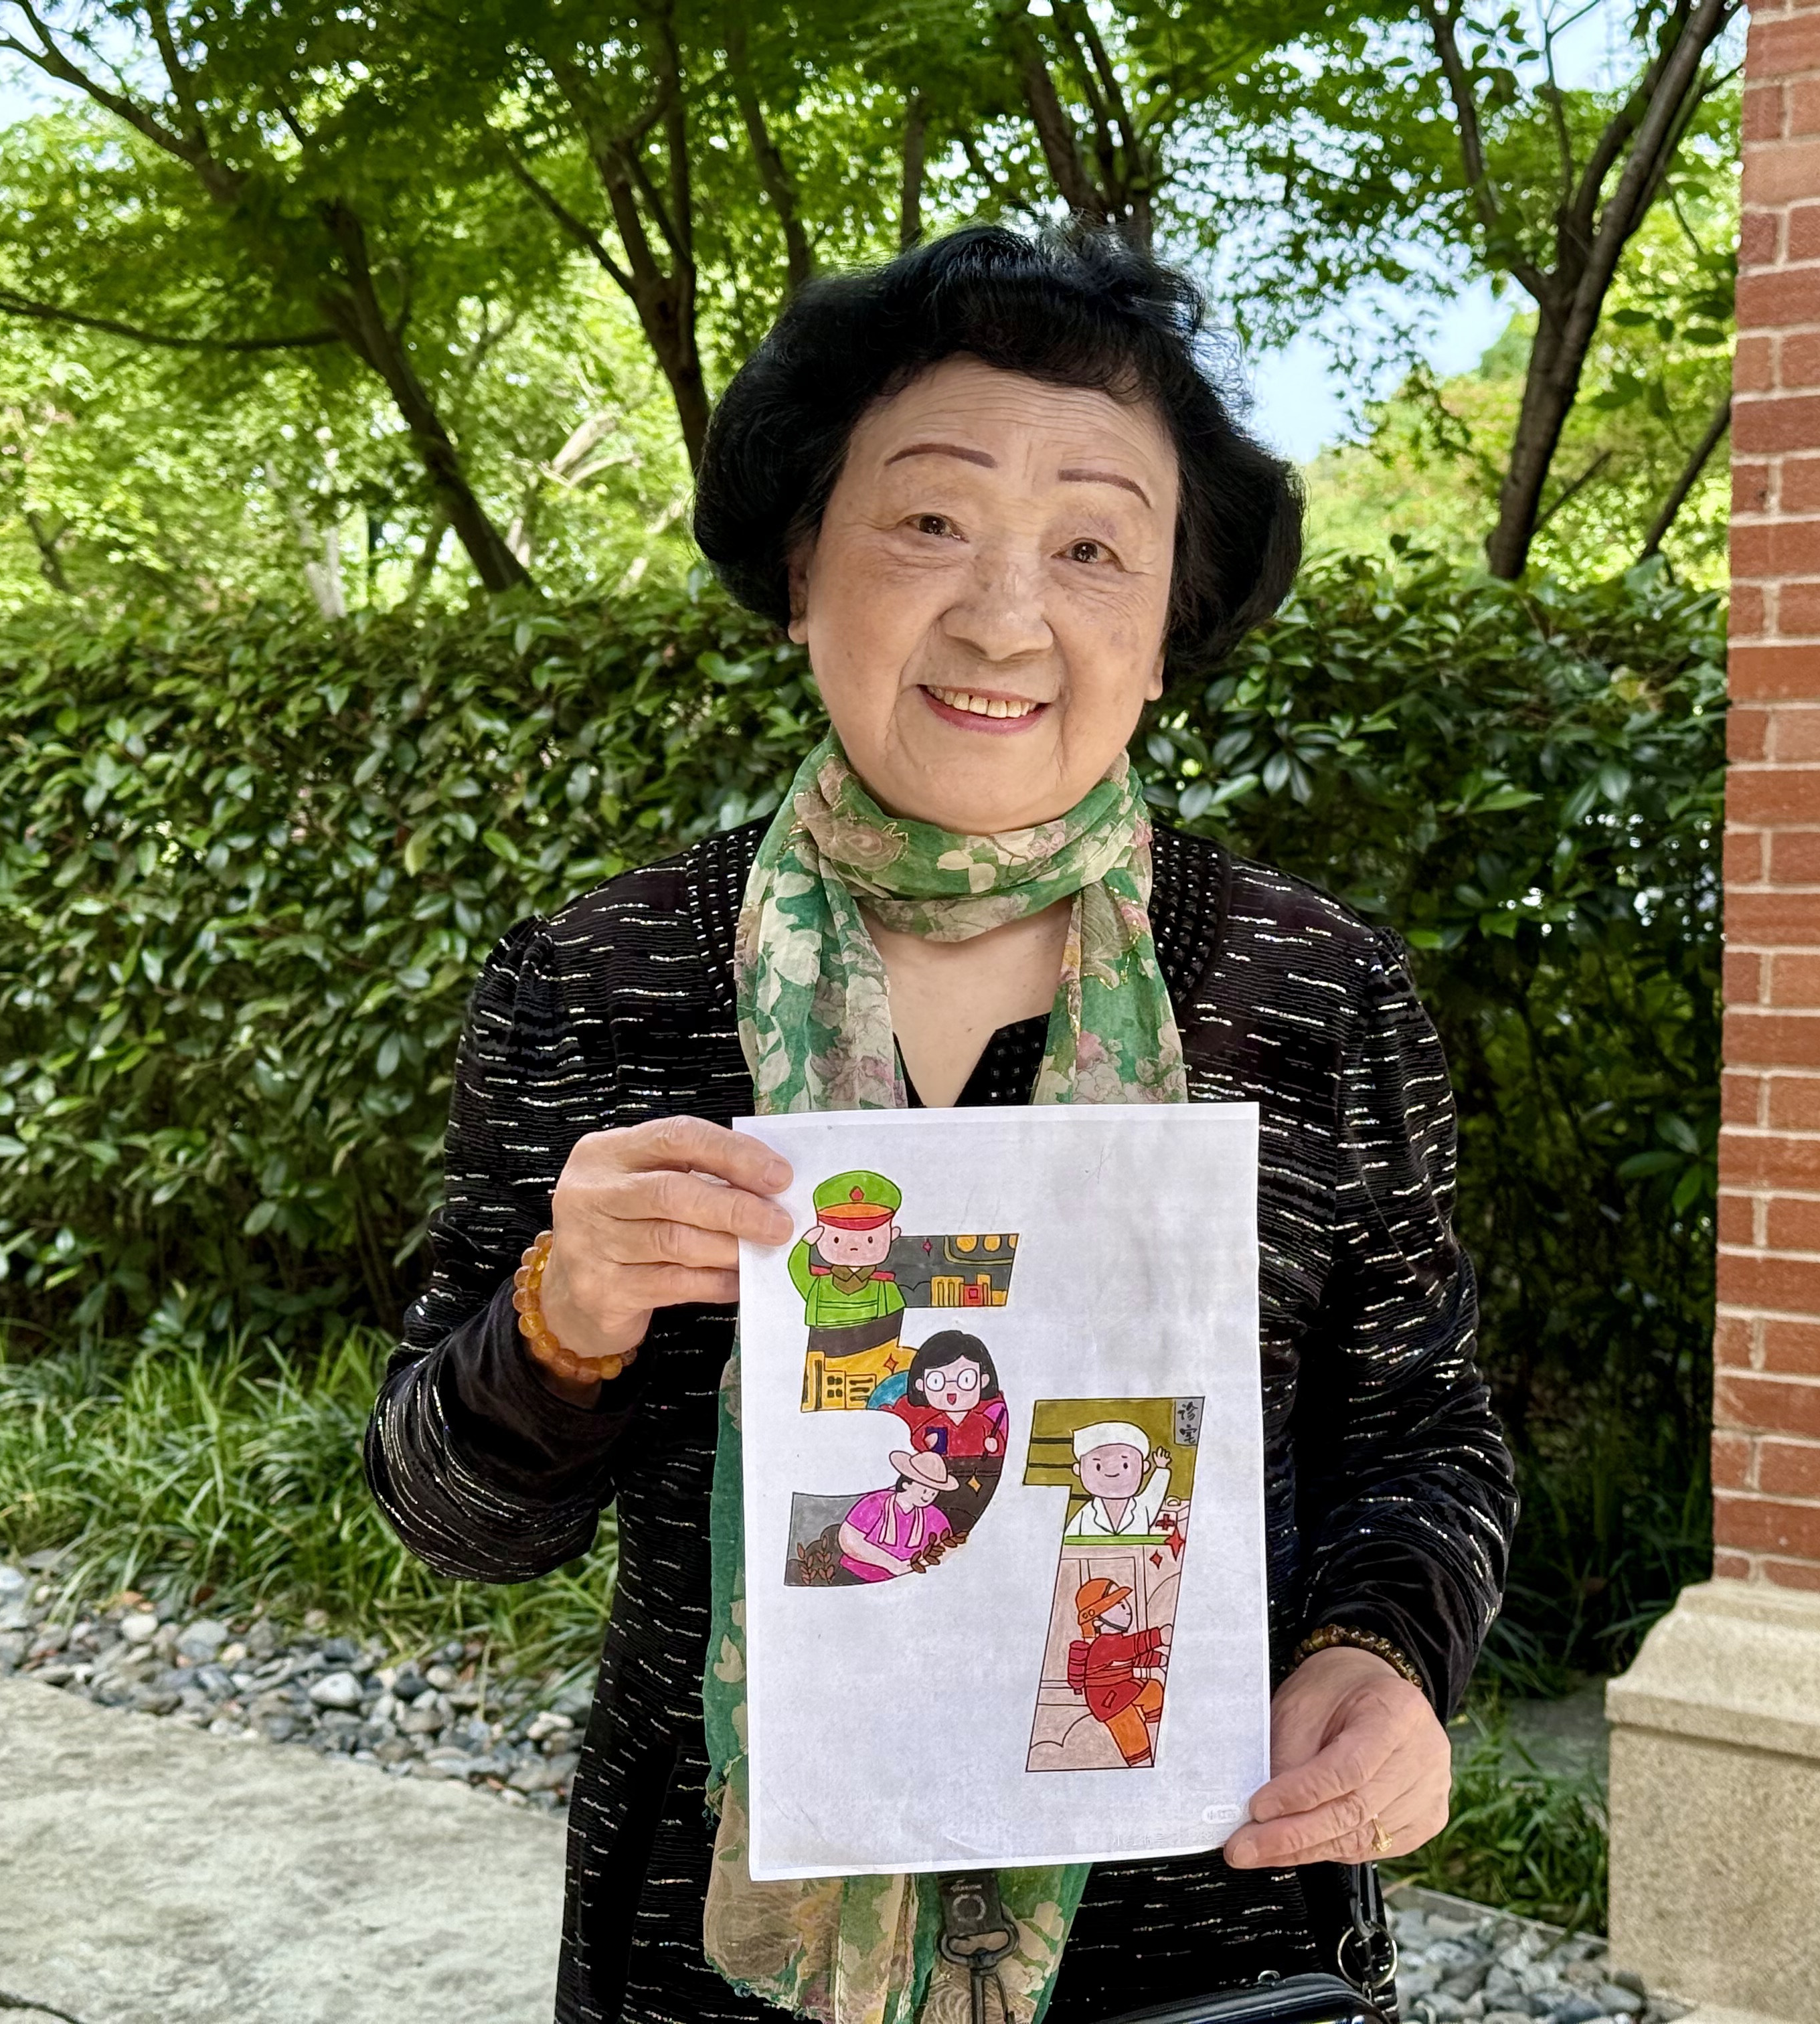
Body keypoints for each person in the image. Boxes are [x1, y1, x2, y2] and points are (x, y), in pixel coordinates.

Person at [367, 224, 1514, 2024]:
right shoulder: (606, 983)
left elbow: (1422, 1432)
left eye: (1092, 547)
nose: (1003, 614)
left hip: (1200, 1940)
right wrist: (561, 1318)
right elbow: (452, 1516)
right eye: (929, 521)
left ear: (1165, 632)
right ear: (801, 568)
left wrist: (1386, 1661)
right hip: (712, 1960)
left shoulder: (1310, 993)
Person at [787, 1169, 910, 1410]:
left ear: (892, 1236)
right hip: (825, 1370)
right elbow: (796, 1269)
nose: (854, 1248)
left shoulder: (886, 1289)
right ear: (820, 1237)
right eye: (837, 1239)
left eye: (870, 1240)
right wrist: (804, 1245)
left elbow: (893, 1332)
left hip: (874, 1371)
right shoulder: (819, 1286)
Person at [885, 1330, 1007, 1539]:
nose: (952, 1391)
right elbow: (918, 1448)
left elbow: (1000, 1450)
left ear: (983, 1381)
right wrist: (925, 1445)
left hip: (977, 1485)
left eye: (966, 1379)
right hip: (938, 1488)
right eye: (937, 1381)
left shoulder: (984, 1424)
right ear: (921, 1385)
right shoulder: (932, 1425)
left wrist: (993, 1446)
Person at [1066, 1578, 1169, 1768]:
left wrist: (1158, 1660)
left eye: (1124, 1602)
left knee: (1153, 1690)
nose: (1127, 1609)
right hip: (1109, 1702)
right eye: (1118, 1605)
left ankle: (1157, 1735)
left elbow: (1132, 1658)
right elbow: (1129, 1648)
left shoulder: (1116, 1641)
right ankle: (1142, 1763)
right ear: (1097, 1619)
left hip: (1122, 1687)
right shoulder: (1103, 1645)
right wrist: (1158, 1637)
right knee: (1132, 1729)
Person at [835, 1451, 957, 1582]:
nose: (927, 1497)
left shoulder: (935, 1517)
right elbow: (849, 1539)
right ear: (907, 1484)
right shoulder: (875, 1503)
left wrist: (917, 1566)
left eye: (933, 1494)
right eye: (925, 1491)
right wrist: (891, 1564)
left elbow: (949, 1550)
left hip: (910, 1582)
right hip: (856, 1575)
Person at [1060, 1420, 1178, 1542]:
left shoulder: (1142, 1509)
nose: (1112, 1471)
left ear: (1144, 1467)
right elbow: (1066, 1542)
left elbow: (1155, 1495)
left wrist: (1161, 1469)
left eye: (1125, 1465)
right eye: (1098, 1466)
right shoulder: (1086, 1514)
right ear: (1078, 1469)